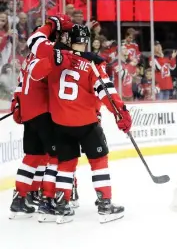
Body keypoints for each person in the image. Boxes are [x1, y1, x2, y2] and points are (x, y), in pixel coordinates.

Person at [28, 24, 130, 224]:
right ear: (87, 41)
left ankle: (62, 204)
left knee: (66, 163)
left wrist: (50, 60)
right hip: (86, 122)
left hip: (60, 124)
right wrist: (121, 113)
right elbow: (105, 90)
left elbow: (34, 74)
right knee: (99, 160)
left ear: (69, 39)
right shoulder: (93, 63)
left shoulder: (56, 58)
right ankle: (105, 204)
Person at [9, 15, 77, 219]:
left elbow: (21, 83)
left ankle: (20, 198)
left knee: (32, 156)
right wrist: (51, 25)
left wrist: (17, 101)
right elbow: (36, 39)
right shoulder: (49, 50)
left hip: (29, 112)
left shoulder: (30, 57)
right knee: (55, 157)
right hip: (44, 112)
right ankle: (48, 200)